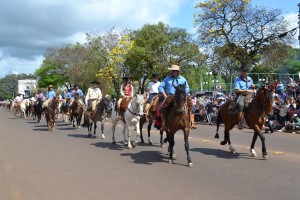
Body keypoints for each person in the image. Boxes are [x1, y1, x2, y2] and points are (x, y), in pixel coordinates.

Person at [158, 64, 197, 130]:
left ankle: (191, 122)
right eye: (172, 70)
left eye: (175, 71)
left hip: (181, 97)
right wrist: (164, 95)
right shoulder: (167, 79)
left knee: (192, 107)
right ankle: (163, 124)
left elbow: (187, 88)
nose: (173, 72)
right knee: (162, 108)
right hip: (170, 96)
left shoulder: (183, 79)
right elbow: (160, 87)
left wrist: (184, 93)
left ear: (178, 72)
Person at [234, 65, 255, 130]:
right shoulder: (237, 80)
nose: (244, 72)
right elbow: (237, 90)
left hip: (250, 94)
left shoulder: (250, 79)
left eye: (245, 71)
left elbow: (252, 88)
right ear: (241, 72)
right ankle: (240, 122)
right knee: (241, 105)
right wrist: (246, 90)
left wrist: (253, 86)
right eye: (243, 71)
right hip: (241, 95)